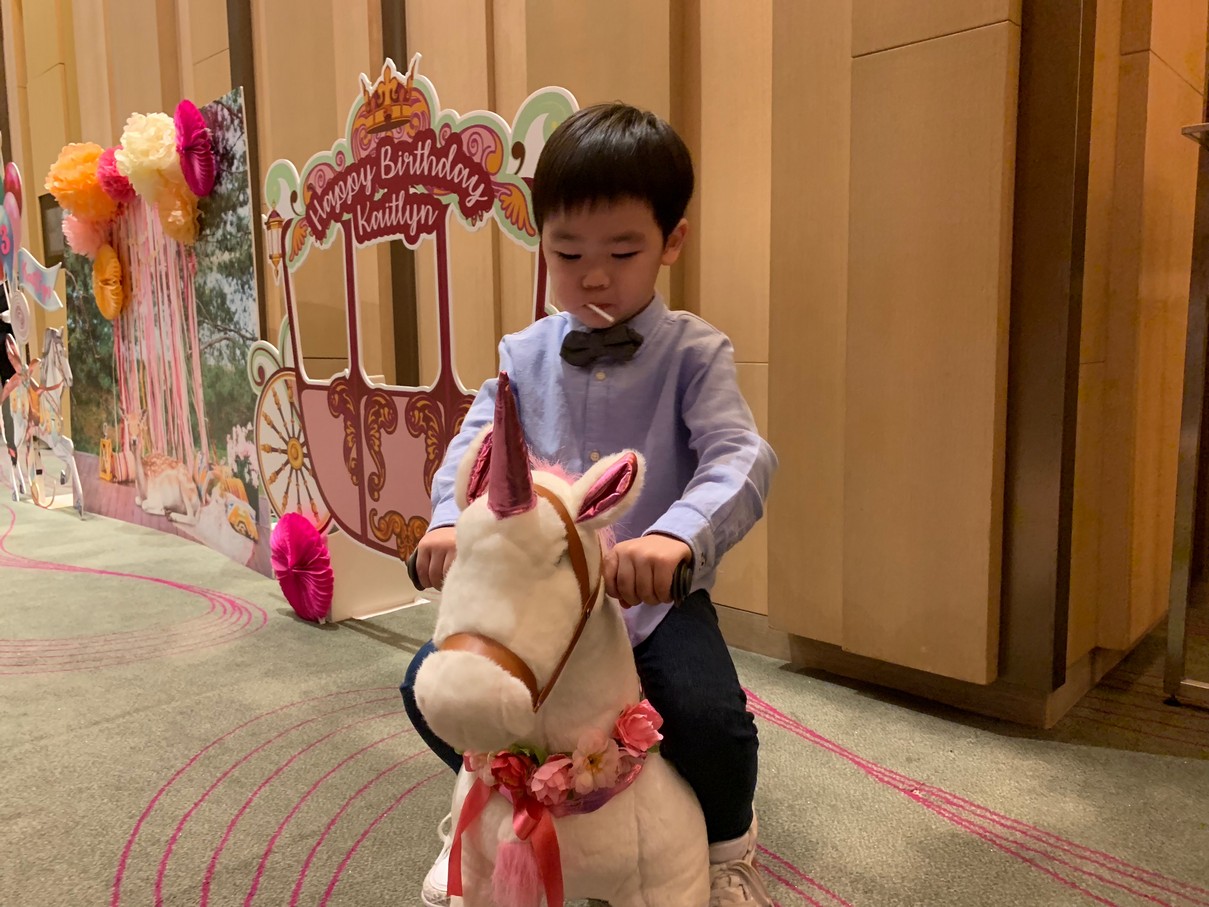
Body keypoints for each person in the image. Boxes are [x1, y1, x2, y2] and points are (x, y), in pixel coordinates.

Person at [400, 102, 777, 907]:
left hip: (646, 600)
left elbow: (739, 456)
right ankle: (482, 810)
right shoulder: (522, 355)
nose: (593, 275)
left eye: (622, 251)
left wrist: (676, 539)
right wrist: (447, 523)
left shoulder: (693, 353)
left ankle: (726, 846)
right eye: (567, 252)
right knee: (427, 685)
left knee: (707, 713)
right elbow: (473, 450)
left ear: (672, 241)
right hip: (535, 596)